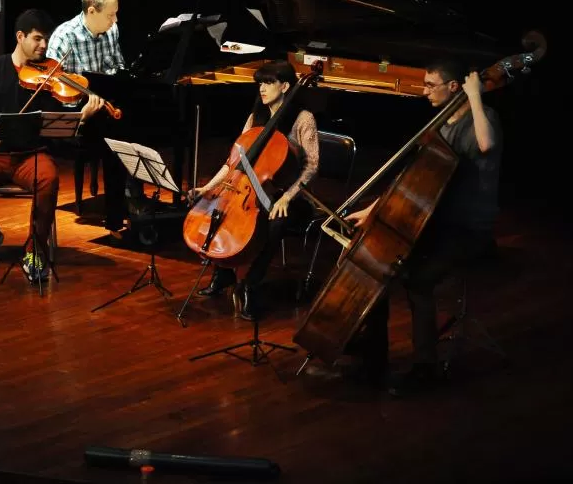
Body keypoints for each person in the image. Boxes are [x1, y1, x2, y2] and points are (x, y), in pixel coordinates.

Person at [343, 59, 503, 396]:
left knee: (418, 280)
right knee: (380, 262)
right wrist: (373, 210)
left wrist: (475, 95)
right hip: (436, 221)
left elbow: (486, 145)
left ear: (454, 87)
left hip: (468, 229)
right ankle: (373, 355)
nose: (424, 91)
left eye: (431, 85)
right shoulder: (443, 125)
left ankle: (425, 367)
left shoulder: (482, 117)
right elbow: (414, 180)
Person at [0, 9, 104, 284]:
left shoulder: (50, 76)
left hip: (31, 155)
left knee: (49, 180)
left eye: (47, 40)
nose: (44, 46)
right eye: (38, 39)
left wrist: (81, 118)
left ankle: (35, 249)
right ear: (20, 37)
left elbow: (57, 128)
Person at [187, 60, 319, 320]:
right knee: (222, 213)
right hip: (249, 191)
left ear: (285, 86)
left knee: (274, 223)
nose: (262, 88)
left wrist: (287, 197)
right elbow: (234, 162)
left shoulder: (303, 118)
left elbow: (312, 166)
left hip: (287, 194)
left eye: (268, 82)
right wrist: (208, 187)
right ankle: (223, 273)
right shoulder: (255, 117)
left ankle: (251, 284)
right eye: (260, 82)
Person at [46, 0, 133, 237]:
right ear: (92, 11)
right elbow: (54, 87)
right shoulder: (64, 36)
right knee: (114, 135)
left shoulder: (111, 30)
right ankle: (117, 214)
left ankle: (130, 198)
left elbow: (117, 65)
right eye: (110, 14)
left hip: (102, 107)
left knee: (130, 124)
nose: (115, 20)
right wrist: (82, 105)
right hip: (76, 116)